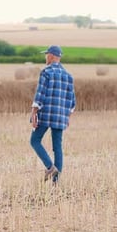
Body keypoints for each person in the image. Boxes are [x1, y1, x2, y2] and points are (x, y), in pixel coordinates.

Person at [30, 45, 76, 184]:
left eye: (46, 55)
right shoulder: (68, 76)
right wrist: (67, 116)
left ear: (51, 55)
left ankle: (50, 167)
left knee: (35, 140)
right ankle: (56, 183)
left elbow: (40, 94)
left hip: (46, 114)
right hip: (61, 116)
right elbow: (71, 100)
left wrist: (34, 113)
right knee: (57, 148)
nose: (45, 57)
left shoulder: (46, 72)